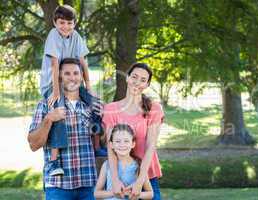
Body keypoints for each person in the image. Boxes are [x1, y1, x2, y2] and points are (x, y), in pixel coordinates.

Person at [39, 5, 103, 176]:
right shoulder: (53, 35)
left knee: (95, 104)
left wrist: (89, 87)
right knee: (59, 111)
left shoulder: (76, 36)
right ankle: (53, 162)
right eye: (61, 23)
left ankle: (97, 146)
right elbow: (54, 65)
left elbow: (83, 63)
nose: (65, 26)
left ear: (74, 23)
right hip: (51, 84)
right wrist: (56, 91)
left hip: (72, 82)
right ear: (54, 22)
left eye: (69, 23)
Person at [28, 58, 98, 200]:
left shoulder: (92, 105)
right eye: (67, 73)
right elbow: (33, 144)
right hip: (57, 185)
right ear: (59, 76)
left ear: (81, 76)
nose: (72, 78)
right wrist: (48, 119)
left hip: (88, 183)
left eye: (75, 73)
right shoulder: (46, 104)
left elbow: (102, 139)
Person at [102, 63, 164, 200]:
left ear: (147, 85)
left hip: (147, 177)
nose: (137, 82)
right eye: (134, 77)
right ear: (127, 78)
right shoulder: (111, 109)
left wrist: (140, 180)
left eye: (143, 80)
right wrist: (115, 179)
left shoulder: (154, 109)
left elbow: (150, 146)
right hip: (121, 177)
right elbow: (110, 148)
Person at [94, 124, 153, 200]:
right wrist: (114, 192)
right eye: (118, 141)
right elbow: (96, 193)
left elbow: (150, 194)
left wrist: (136, 194)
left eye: (126, 141)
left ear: (133, 144)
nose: (122, 145)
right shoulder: (107, 165)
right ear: (111, 145)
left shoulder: (139, 165)